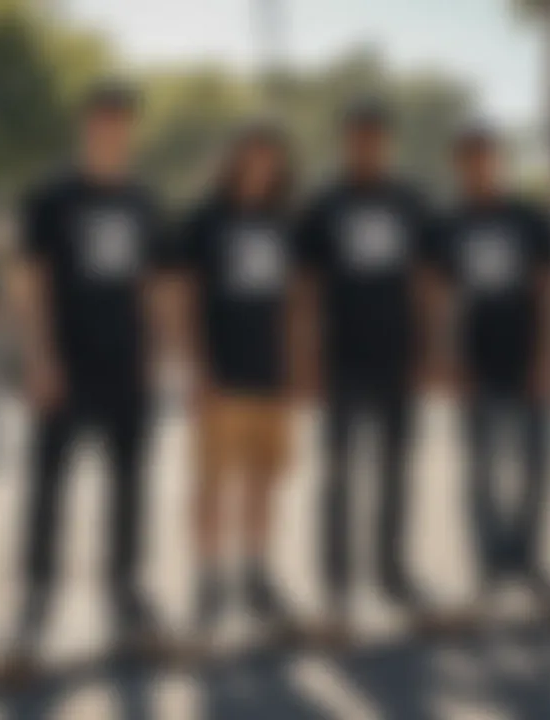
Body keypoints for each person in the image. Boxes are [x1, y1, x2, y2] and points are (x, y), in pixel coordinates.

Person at [14, 80, 165, 661]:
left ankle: (124, 590)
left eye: (121, 119)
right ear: (85, 124)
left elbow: (152, 284)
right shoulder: (51, 197)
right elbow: (32, 283)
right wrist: (39, 357)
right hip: (66, 365)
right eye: (101, 117)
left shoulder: (143, 201)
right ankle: (37, 597)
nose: (111, 127)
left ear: (131, 128)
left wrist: (157, 355)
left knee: (130, 486)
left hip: (127, 364)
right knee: (49, 487)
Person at [296, 99, 432, 627]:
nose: (367, 145)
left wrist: (431, 350)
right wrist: (305, 356)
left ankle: (391, 571)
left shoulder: (410, 201)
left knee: (397, 471)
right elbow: (305, 288)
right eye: (357, 136)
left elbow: (424, 283)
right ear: (344, 141)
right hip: (340, 361)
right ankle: (336, 582)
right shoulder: (323, 205)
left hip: (399, 358)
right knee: (339, 476)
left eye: (375, 137)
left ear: (388, 142)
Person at [431, 125, 550, 602]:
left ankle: (526, 561)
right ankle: (489, 568)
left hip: (529, 363)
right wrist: (447, 361)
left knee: (538, 469)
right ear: (458, 166)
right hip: (475, 368)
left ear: (499, 161)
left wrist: (549, 357)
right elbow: (440, 299)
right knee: (481, 474)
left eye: (486, 157)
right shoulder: (449, 225)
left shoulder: (530, 219)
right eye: (469, 158)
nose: (479, 166)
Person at [176, 122, 296, 630]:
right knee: (210, 485)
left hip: (272, 375)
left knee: (263, 483)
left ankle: (255, 573)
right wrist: (195, 368)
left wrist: (298, 364)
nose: (259, 165)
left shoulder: (282, 223)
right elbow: (184, 299)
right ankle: (208, 579)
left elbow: (294, 302)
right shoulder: (205, 221)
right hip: (221, 376)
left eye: (268, 157)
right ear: (232, 160)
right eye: (249, 155)